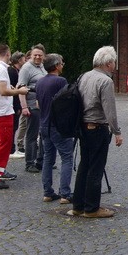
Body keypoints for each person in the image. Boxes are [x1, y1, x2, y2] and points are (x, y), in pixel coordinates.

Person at [69, 46, 123, 218]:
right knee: (96, 168)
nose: (115, 65)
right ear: (108, 63)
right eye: (114, 62)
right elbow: (110, 110)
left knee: (84, 166)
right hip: (97, 128)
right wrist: (117, 132)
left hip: (83, 127)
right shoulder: (105, 81)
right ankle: (92, 208)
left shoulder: (83, 76)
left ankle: (77, 205)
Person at [0, 44, 30, 189]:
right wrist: (20, 91)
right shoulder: (2, 69)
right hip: (2, 112)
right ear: (8, 54)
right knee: (3, 145)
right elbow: (3, 91)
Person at [37, 53, 75, 204]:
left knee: (48, 158)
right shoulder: (60, 81)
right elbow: (66, 103)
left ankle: (47, 192)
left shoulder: (40, 82)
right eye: (61, 63)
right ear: (56, 65)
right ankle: (65, 193)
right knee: (67, 158)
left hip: (44, 124)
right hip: (58, 126)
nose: (62, 65)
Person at [18, 44, 47, 174]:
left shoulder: (42, 67)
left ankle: (41, 160)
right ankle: (29, 163)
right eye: (35, 55)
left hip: (42, 106)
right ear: (30, 55)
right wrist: (24, 107)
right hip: (32, 106)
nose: (37, 57)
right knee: (32, 135)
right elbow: (21, 88)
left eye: (40, 55)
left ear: (43, 57)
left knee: (43, 134)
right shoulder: (26, 68)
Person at [8, 51, 26, 158]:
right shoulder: (12, 72)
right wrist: (18, 106)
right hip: (13, 104)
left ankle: (12, 148)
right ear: (19, 60)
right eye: (24, 59)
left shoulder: (16, 71)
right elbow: (13, 90)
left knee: (15, 126)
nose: (25, 61)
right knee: (13, 126)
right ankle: (11, 149)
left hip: (15, 104)